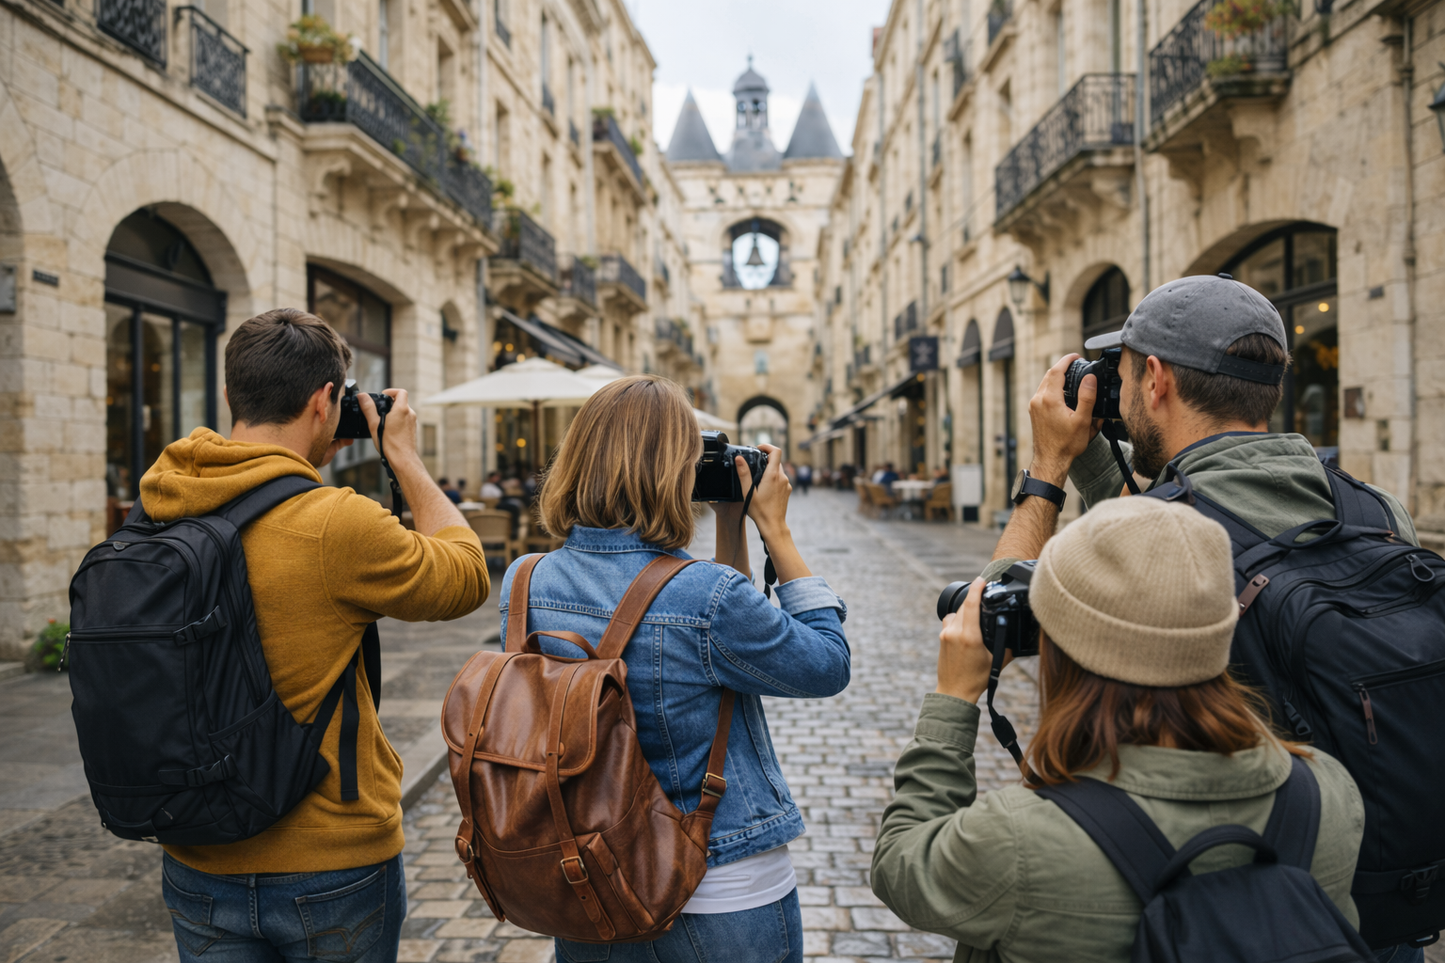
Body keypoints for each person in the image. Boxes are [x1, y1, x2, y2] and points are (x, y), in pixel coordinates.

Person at [985, 273, 1420, 962]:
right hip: (1376, 897)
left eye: (1123, 373)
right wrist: (1102, 459)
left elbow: (985, 621)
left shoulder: (1164, 533)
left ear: (1153, 378)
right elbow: (1189, 507)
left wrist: (1047, 468)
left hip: (1225, 911)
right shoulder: (1375, 512)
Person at [872, 497, 1365, 961]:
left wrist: (953, 698)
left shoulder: (1019, 840)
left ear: (1058, 647)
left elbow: (901, 864)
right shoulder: (1327, 791)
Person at [145, 308, 489, 963]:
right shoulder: (336, 523)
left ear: (228, 396)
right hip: (329, 861)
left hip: (195, 854)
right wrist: (405, 459)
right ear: (326, 400)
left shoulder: (160, 500)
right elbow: (466, 573)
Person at [501, 375, 851, 963]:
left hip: (590, 879)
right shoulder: (705, 598)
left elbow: (716, 632)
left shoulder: (526, 579)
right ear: (675, 470)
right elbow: (826, 664)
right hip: (719, 886)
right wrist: (777, 530)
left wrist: (730, 524)